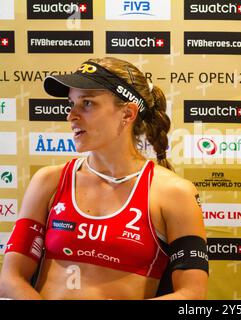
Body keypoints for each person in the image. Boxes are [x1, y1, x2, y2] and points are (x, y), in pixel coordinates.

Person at [0, 57, 209, 300]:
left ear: (127, 113)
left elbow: (192, 294)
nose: (71, 116)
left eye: (87, 103)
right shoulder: (49, 181)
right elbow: (10, 279)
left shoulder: (174, 192)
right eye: (71, 103)